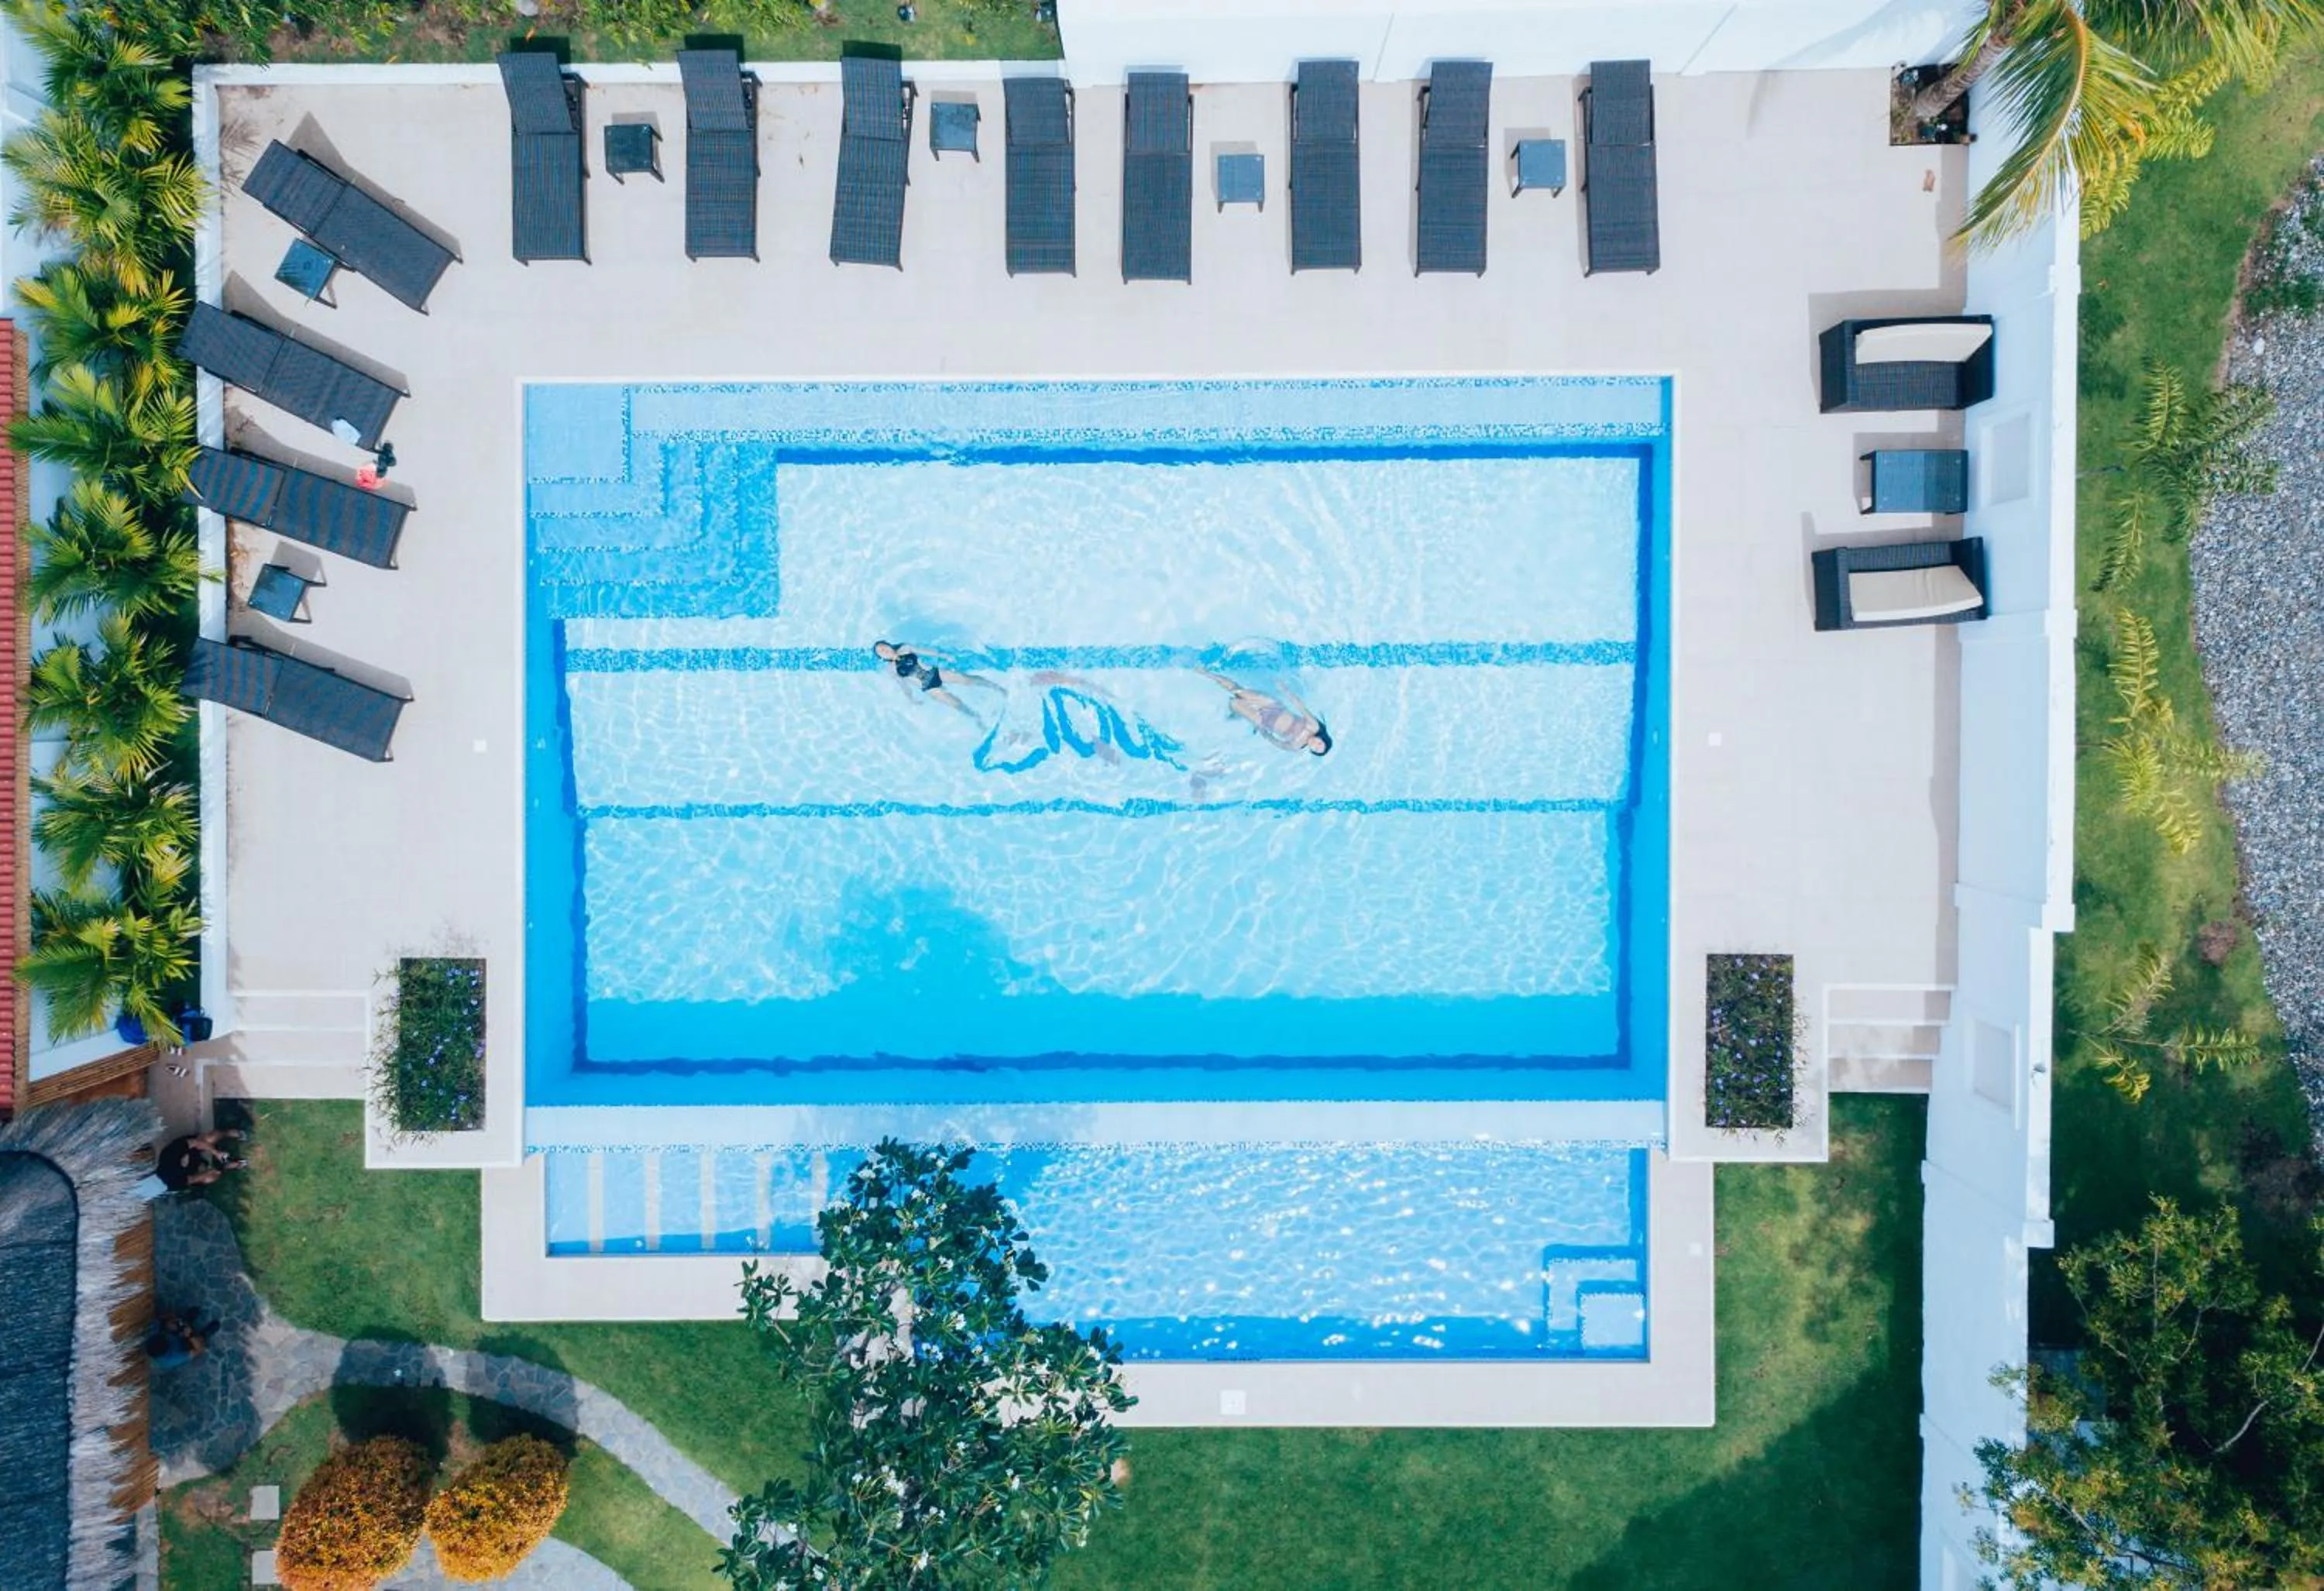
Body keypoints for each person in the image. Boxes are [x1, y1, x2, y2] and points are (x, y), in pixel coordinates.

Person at [1199, 670, 1332, 756]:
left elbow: (1275, 742)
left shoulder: (1295, 746)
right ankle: (1207, 673)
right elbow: (1299, 706)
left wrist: (1261, 730)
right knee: (1238, 691)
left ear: (1311, 751)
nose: (1315, 745)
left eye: (1316, 749)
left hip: (1262, 721)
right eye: (1320, 744)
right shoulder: (1313, 726)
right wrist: (1285, 690)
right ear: (1322, 738)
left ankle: (1237, 714)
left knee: (1233, 703)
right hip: (1273, 706)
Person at [873, 641, 1001, 717]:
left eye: (884, 647)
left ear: (889, 645)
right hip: (929, 687)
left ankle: (997, 688)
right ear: (882, 657)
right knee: (957, 704)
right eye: (881, 652)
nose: (884, 650)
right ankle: (978, 720)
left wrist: (944, 655)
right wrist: (911, 698)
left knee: (966, 679)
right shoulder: (891, 669)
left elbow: (926, 652)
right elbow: (903, 685)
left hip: (936, 673)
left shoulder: (905, 648)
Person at [155, 1129, 246, 1192]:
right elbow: (195, 1178)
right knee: (210, 1178)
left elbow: (196, 1143)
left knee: (211, 1138)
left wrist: (216, 1153)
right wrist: (216, 1170)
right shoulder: (174, 1184)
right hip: (193, 1168)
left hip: (192, 1148)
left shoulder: (168, 1155)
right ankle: (227, 1165)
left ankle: (230, 1133)